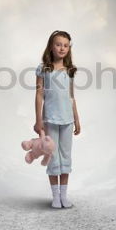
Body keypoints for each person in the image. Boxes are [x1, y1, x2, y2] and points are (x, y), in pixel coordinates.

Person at [34, 30, 81, 208]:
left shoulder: (69, 70)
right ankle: (55, 196)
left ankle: (64, 196)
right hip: (50, 119)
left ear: (69, 48)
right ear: (51, 47)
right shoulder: (43, 69)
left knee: (66, 156)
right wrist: (38, 120)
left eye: (65, 45)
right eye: (58, 44)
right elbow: (39, 95)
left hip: (67, 120)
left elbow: (71, 97)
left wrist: (76, 119)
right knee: (53, 156)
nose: (62, 48)